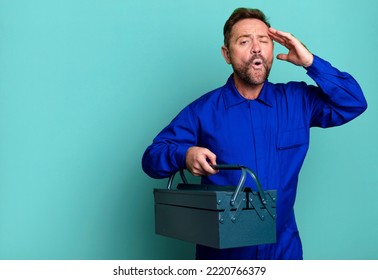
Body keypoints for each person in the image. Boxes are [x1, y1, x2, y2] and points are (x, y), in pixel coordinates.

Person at [141, 8, 367, 259]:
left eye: (264, 40)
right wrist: (185, 154)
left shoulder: (298, 101)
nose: (256, 48)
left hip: (285, 253)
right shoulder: (203, 111)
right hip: (224, 257)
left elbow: (354, 102)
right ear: (227, 54)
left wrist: (310, 62)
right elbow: (152, 158)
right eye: (245, 41)